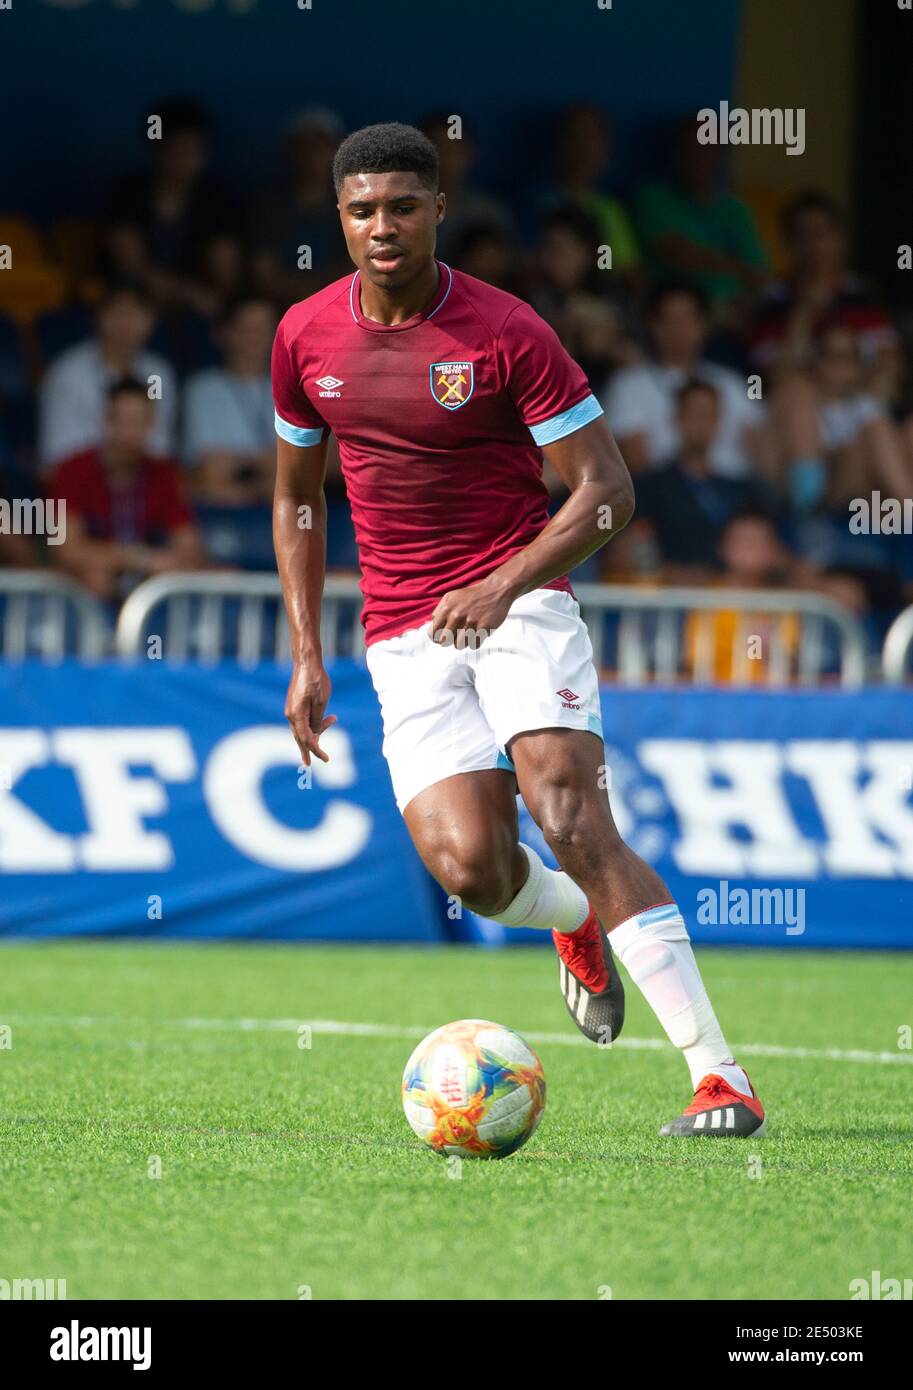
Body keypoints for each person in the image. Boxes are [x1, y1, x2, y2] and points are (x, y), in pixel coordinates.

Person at [271, 121, 766, 1140]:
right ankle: (576, 921)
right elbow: (295, 498)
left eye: (402, 207)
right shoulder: (304, 337)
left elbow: (606, 492)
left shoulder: (505, 330)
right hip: (402, 631)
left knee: (570, 815)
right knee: (472, 870)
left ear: (438, 209)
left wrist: (503, 585)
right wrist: (307, 654)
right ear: (340, 219)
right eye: (362, 211)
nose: (382, 227)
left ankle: (718, 1078)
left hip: (521, 601)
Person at [48, 377, 206, 601]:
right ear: (107, 420)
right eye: (123, 420)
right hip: (90, 585)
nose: (130, 431)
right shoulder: (70, 470)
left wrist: (167, 562)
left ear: (152, 424)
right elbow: (65, 549)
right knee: (97, 575)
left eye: (139, 421)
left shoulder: (164, 473)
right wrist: (137, 558)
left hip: (145, 581)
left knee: (201, 575)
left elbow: (189, 544)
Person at [602, 281, 768, 478]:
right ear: (652, 326)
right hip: (666, 490)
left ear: (704, 325)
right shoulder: (628, 385)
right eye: (670, 321)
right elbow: (637, 466)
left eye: (688, 320)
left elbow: (763, 450)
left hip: (735, 489)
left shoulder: (731, 382)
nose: (679, 330)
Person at [751, 192, 900, 396]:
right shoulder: (772, 300)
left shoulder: (860, 295)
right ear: (788, 243)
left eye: (822, 233)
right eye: (803, 235)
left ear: (840, 240)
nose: (814, 245)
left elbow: (889, 362)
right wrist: (803, 312)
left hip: (857, 399)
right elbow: (777, 378)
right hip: (799, 403)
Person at [634, 379, 773, 584]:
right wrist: (679, 576)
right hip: (668, 597)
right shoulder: (648, 486)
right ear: (677, 418)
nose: (701, 422)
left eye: (708, 414)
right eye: (694, 413)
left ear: (719, 420)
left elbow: (768, 550)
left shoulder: (742, 489)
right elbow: (628, 552)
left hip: (732, 598)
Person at [634, 116, 766, 322]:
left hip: (736, 310)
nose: (698, 157)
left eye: (708, 149)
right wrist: (735, 267)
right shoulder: (652, 198)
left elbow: (758, 273)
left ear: (720, 156)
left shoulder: (735, 209)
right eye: (691, 148)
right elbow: (679, 253)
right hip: (675, 310)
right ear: (678, 153)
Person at [38, 285, 177, 472]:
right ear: (100, 317)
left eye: (136, 313)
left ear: (151, 321)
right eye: (118, 311)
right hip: (82, 477)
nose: (126, 322)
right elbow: (61, 451)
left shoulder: (156, 375)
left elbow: (158, 440)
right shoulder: (68, 373)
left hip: (142, 479)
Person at [183, 295, 278, 504]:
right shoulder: (201, 389)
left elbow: (314, 463)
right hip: (219, 503)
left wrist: (239, 462)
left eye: (264, 329)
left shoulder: (291, 387)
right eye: (248, 329)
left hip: (277, 502)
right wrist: (272, 462)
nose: (257, 338)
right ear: (224, 333)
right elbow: (206, 466)